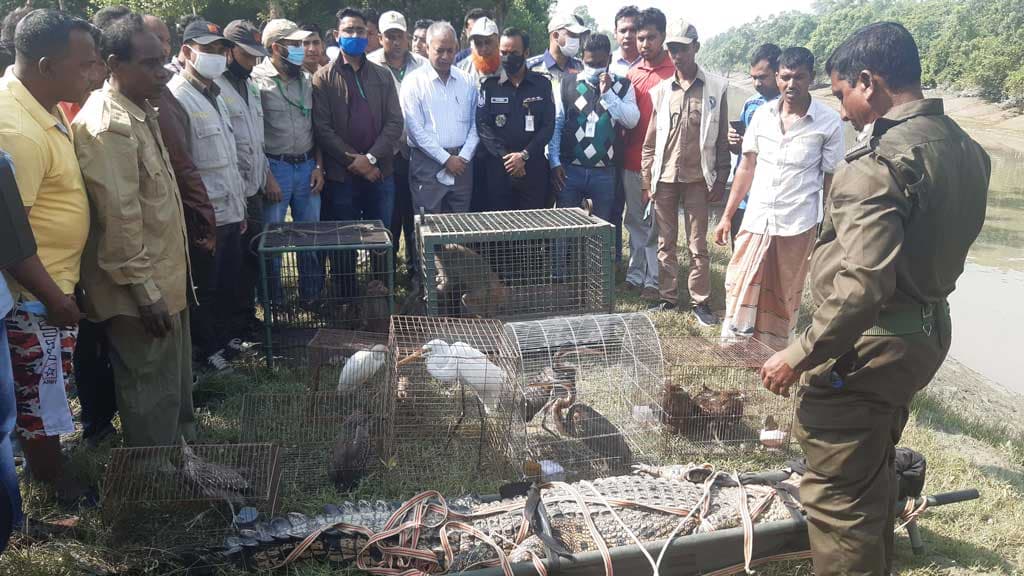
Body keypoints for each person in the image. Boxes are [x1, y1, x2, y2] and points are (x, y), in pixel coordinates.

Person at [759, 22, 991, 576]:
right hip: (926, 333)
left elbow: (862, 288)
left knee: (839, 501)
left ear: (869, 81)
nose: (840, 112)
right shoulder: (967, 148)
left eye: (841, 95)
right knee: (869, 476)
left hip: (868, 348)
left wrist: (799, 354)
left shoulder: (877, 165)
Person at [72, 14, 195, 447]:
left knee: (170, 382)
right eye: (149, 64)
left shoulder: (140, 108)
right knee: (148, 389)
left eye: (164, 61)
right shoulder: (108, 126)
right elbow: (119, 220)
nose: (162, 72)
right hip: (137, 292)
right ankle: (153, 478)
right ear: (113, 64)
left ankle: (179, 458)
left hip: (162, 278)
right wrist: (145, 292)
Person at [0, 9, 95, 502]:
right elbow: (7, 237)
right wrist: (53, 297)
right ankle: (53, 483)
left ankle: (48, 465)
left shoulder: (44, 102)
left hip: (52, 286)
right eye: (83, 65)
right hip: (32, 296)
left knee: (49, 389)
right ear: (44, 64)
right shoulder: (14, 128)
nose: (94, 73)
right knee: (40, 394)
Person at [713, 47, 843, 350]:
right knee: (738, 280)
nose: (791, 84)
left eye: (799, 77)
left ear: (812, 78)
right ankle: (736, 344)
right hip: (757, 216)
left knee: (784, 291)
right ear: (778, 77)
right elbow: (747, 166)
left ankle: (774, 351)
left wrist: (827, 226)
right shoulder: (761, 114)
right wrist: (727, 215)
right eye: (785, 77)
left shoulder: (828, 122)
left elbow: (831, 179)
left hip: (797, 221)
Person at [168, 19, 246, 373]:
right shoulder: (177, 98)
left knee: (229, 282)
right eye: (208, 50)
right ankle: (207, 352)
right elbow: (184, 167)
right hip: (205, 215)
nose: (216, 57)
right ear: (186, 52)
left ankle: (227, 342)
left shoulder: (216, 93)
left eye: (220, 50)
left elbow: (228, 155)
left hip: (230, 208)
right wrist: (200, 219)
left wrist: (240, 206)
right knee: (205, 288)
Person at [641, 20, 729, 325]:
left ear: (696, 47)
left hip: (697, 178)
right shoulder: (662, 91)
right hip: (664, 178)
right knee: (666, 242)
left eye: (682, 49)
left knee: (697, 244)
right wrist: (646, 178)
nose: (677, 55)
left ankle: (700, 302)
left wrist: (721, 175)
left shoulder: (716, 88)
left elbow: (720, 139)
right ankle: (667, 298)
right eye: (673, 50)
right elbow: (650, 140)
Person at [145, 14, 218, 374]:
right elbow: (184, 165)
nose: (159, 48)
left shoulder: (203, 92)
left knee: (212, 285)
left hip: (209, 205)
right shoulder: (173, 95)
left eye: (162, 40)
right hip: (186, 213)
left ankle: (203, 352)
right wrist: (203, 212)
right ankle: (199, 355)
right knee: (197, 290)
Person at [252, 19, 324, 305]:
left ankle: (312, 295)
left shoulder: (306, 79)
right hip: (276, 167)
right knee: (273, 239)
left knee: (311, 236)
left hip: (307, 166)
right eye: (294, 45)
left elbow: (315, 128)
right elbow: (252, 133)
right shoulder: (256, 81)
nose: (302, 49)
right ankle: (273, 302)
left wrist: (319, 166)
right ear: (276, 48)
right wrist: (266, 175)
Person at [313, 7, 403, 227]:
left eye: (360, 31)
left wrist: (370, 159)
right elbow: (322, 129)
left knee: (382, 242)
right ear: (337, 35)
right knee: (345, 244)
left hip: (380, 171)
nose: (355, 36)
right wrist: (356, 161)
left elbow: (395, 122)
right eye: (349, 30)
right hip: (341, 176)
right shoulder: (323, 78)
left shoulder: (382, 75)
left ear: (368, 35)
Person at [219, 20, 272, 345]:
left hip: (252, 189)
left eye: (255, 56)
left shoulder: (250, 86)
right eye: (246, 55)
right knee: (230, 264)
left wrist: (265, 175)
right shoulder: (216, 89)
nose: (252, 62)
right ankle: (227, 328)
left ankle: (244, 318)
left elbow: (256, 140)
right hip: (228, 190)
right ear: (229, 51)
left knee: (251, 257)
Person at [549, 33, 639, 223]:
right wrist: (554, 162)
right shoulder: (567, 84)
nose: (595, 69)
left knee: (600, 231)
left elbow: (631, 120)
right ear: (582, 58)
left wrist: (608, 94)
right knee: (564, 229)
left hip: (604, 173)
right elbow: (556, 124)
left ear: (610, 59)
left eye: (600, 64)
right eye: (590, 63)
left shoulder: (623, 86)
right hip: (569, 171)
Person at [368, 10, 426, 282]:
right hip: (385, 156)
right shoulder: (369, 66)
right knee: (387, 217)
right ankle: (385, 277)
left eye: (399, 35)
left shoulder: (423, 65)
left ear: (408, 36)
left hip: (418, 154)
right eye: (389, 36)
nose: (395, 41)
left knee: (416, 217)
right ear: (380, 38)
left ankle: (419, 272)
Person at [400, 21, 479, 215]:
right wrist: (445, 159)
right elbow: (414, 130)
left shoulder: (467, 81)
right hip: (427, 164)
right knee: (429, 228)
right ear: (427, 48)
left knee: (459, 227)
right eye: (439, 50)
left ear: (457, 49)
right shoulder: (413, 82)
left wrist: (463, 157)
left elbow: (477, 124)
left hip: (462, 163)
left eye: (450, 51)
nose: (445, 56)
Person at [622, 7, 674, 301]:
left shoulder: (674, 73)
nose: (644, 44)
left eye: (650, 37)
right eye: (640, 38)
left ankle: (655, 281)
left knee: (657, 225)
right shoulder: (632, 74)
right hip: (631, 160)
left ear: (663, 37)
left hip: (662, 164)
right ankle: (635, 274)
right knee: (634, 221)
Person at [476, 27, 555, 211]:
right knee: (500, 231)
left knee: (533, 231)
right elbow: (483, 125)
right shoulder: (490, 85)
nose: (507, 57)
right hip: (499, 170)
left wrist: (524, 156)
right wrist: (508, 159)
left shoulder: (542, 84)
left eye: (514, 53)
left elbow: (548, 126)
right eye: (503, 52)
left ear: (526, 53)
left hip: (532, 168)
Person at [727, 43, 781, 246]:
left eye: (762, 77)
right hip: (743, 197)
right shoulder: (751, 104)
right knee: (739, 252)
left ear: (777, 73)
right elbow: (738, 150)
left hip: (771, 198)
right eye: (753, 77)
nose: (757, 83)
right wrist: (732, 140)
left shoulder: (788, 108)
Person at [455, 16, 500, 213]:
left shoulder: (508, 68)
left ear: (497, 40)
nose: (483, 48)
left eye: (488, 42)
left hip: (499, 149)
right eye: (477, 42)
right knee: (472, 204)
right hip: (468, 151)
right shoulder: (461, 68)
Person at [527, 13, 588, 84]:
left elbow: (583, 93)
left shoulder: (581, 68)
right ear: (556, 36)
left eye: (579, 36)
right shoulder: (530, 68)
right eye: (573, 35)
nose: (578, 40)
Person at [611, 6, 642, 77]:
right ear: (615, 33)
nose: (627, 36)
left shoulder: (650, 61)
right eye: (623, 31)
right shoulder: (607, 63)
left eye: (633, 30)